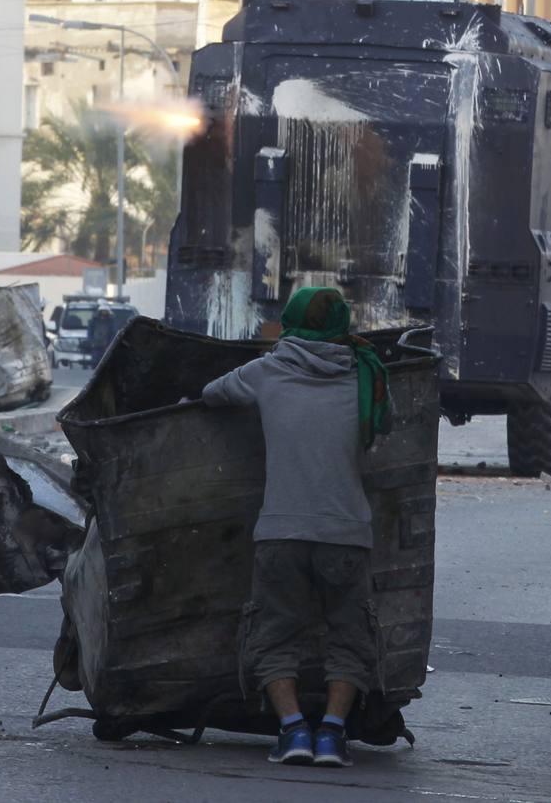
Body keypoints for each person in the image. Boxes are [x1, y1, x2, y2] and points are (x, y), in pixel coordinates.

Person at [201, 286, 391, 768]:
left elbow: (211, 393)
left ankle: (293, 731)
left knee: (274, 635)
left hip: (280, 532)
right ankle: (332, 734)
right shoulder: (366, 374)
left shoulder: (267, 371)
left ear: (290, 322)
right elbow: (383, 430)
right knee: (350, 636)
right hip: (346, 532)